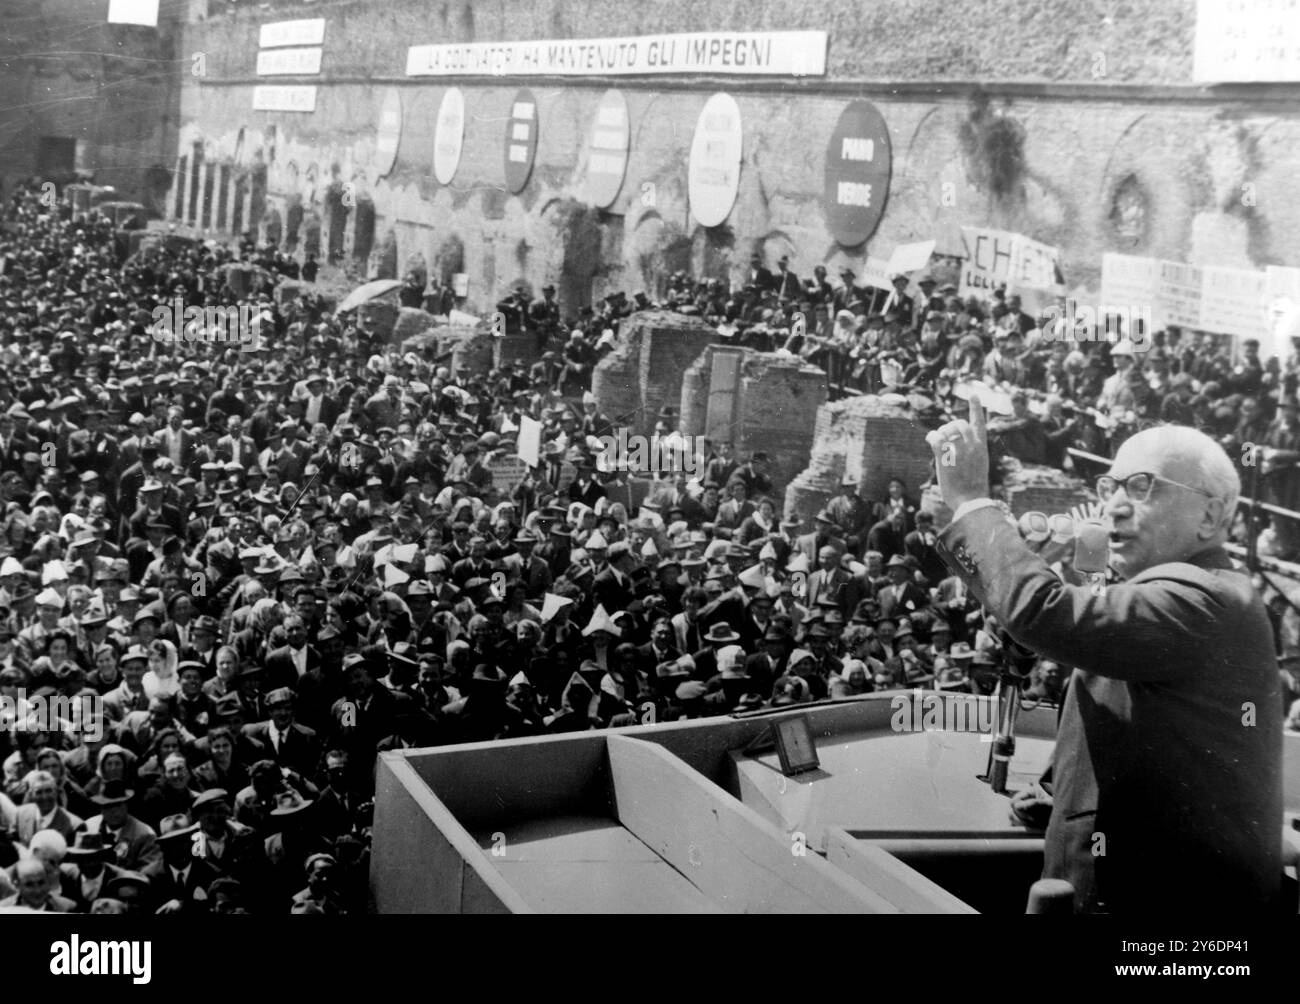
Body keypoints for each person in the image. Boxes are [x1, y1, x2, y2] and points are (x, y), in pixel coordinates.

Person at [926, 394, 1282, 914]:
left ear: (1211, 515)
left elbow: (1044, 613)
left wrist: (970, 503)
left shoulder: (1204, 597)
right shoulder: (1175, 592)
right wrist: (1059, 795)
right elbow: (1134, 720)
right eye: (1110, 486)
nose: (1115, 504)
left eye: (1142, 487)